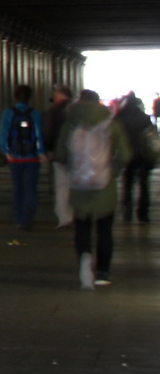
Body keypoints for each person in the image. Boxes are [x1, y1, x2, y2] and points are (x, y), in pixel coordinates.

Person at [54, 89, 129, 289]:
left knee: (82, 228)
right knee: (105, 230)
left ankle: (85, 260)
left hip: (79, 186)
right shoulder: (112, 124)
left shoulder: (70, 123)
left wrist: (74, 168)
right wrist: (114, 169)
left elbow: (60, 153)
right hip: (105, 186)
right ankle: (102, 272)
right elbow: (126, 155)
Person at [0, 86, 46, 229]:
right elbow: (38, 134)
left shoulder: (8, 113)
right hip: (32, 159)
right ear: (29, 98)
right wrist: (41, 152)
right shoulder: (35, 113)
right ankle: (28, 218)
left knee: (18, 188)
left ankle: (19, 218)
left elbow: (3, 134)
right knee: (30, 188)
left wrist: (6, 152)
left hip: (15, 158)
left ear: (15, 97)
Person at [113, 92, 153, 223]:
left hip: (127, 155)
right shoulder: (144, 118)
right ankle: (143, 213)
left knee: (128, 184)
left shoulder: (120, 118)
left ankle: (127, 212)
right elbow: (151, 137)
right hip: (143, 155)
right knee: (144, 184)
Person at [45, 86, 73, 228]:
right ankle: (76, 214)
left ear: (60, 95)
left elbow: (49, 132)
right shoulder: (76, 109)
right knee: (75, 184)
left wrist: (48, 149)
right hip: (77, 154)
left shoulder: (53, 111)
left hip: (58, 153)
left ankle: (64, 217)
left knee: (62, 186)